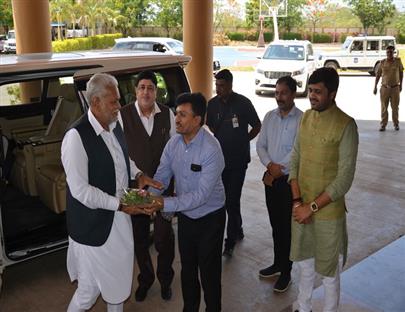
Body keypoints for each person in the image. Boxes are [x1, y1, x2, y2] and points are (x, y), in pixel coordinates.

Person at [62, 73, 161, 312]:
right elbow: (80, 190)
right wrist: (119, 204)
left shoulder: (115, 124)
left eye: (118, 100)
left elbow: (121, 158)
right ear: (95, 102)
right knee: (88, 292)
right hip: (91, 228)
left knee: (116, 286)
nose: (119, 106)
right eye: (113, 101)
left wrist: (138, 174)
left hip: (117, 220)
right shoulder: (76, 137)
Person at [147, 92, 226, 312]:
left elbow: (201, 196)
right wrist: (149, 197)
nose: (177, 119)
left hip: (210, 218)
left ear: (197, 120)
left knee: (209, 273)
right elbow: (161, 176)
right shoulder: (173, 144)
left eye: (183, 114)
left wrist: (164, 204)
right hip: (187, 217)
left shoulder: (212, 149)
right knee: (188, 270)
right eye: (176, 114)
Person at [289, 67, 359, 312]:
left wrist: (312, 207)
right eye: (310, 91)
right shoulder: (306, 117)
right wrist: (298, 202)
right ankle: (303, 307)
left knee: (329, 273)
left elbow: (344, 179)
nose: (312, 96)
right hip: (301, 208)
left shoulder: (346, 125)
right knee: (304, 265)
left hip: (328, 213)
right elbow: (295, 158)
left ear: (333, 93)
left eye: (318, 92)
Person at [119, 70, 176, 302]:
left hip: (162, 186)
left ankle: (165, 280)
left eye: (150, 88)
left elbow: (174, 150)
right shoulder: (123, 115)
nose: (146, 92)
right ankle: (146, 279)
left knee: (163, 237)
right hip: (136, 187)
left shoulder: (168, 114)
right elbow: (121, 153)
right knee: (139, 238)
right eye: (141, 87)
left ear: (156, 91)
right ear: (135, 91)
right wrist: (139, 174)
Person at [206, 69, 261, 257]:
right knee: (223, 200)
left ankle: (229, 241)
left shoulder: (243, 103)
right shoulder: (212, 104)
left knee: (232, 199)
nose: (218, 89)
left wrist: (244, 139)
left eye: (222, 86)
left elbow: (257, 125)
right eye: (216, 85)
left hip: (238, 161)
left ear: (230, 85)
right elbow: (211, 125)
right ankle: (237, 228)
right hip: (219, 162)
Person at [256, 76, 303, 293]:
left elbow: (298, 151)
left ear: (293, 94)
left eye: (283, 93)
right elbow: (260, 145)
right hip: (271, 180)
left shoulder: (302, 120)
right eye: (277, 93)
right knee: (276, 225)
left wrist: (279, 168)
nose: (279, 97)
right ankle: (277, 263)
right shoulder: (269, 117)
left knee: (287, 228)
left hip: (289, 182)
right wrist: (269, 165)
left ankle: (287, 271)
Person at [373, 45, 403, 131]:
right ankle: (383, 125)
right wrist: (375, 86)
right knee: (384, 107)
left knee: (395, 107)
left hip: (395, 88)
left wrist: (401, 85)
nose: (389, 54)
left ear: (393, 52)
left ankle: (396, 124)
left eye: (391, 52)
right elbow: (378, 75)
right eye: (387, 52)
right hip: (384, 88)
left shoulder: (398, 61)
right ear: (386, 53)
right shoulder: (382, 62)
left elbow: (401, 73)